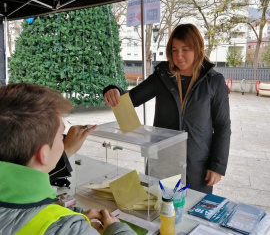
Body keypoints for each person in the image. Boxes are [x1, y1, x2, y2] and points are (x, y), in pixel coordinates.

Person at [103, 23, 231, 194]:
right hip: (163, 162)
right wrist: (114, 90)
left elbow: (222, 126)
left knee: (192, 214)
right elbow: (131, 98)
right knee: (159, 209)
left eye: (185, 49)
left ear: (197, 48)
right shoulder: (163, 75)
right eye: (174, 50)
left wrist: (217, 165)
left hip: (198, 165)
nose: (179, 56)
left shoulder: (214, 81)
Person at [0, 83, 135, 235]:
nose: (64, 139)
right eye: (60, 135)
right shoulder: (71, 230)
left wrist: (70, 218)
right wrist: (117, 229)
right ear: (42, 155)